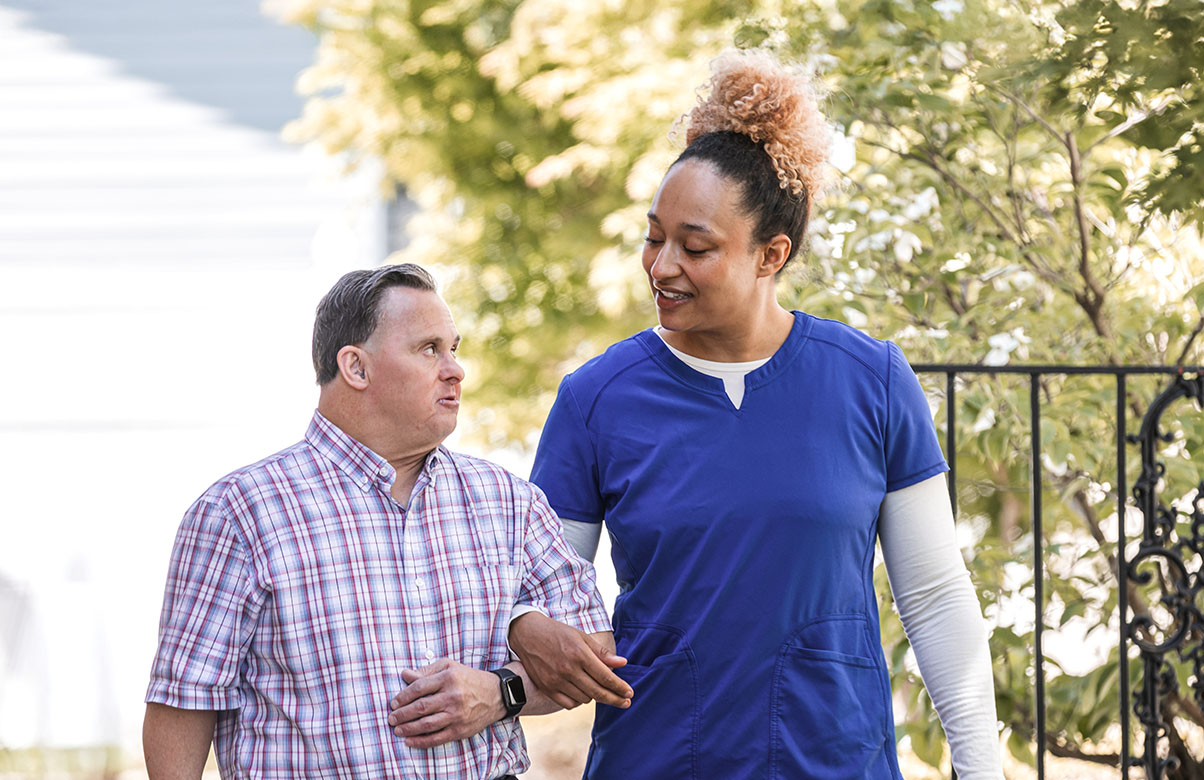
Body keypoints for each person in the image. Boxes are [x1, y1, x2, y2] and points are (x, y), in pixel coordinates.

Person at [509, 49, 1004, 778]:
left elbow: (932, 596)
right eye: (654, 236)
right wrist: (522, 638)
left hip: (835, 762)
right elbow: (538, 603)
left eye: (695, 246)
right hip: (657, 762)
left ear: (772, 254)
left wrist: (980, 765)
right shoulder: (596, 400)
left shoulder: (873, 382)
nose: (661, 265)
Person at [143, 263, 631, 779]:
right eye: (428, 349)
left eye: (454, 349)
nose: (455, 370)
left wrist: (500, 691)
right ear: (355, 367)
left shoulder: (509, 502)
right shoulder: (240, 514)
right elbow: (184, 702)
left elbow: (593, 656)